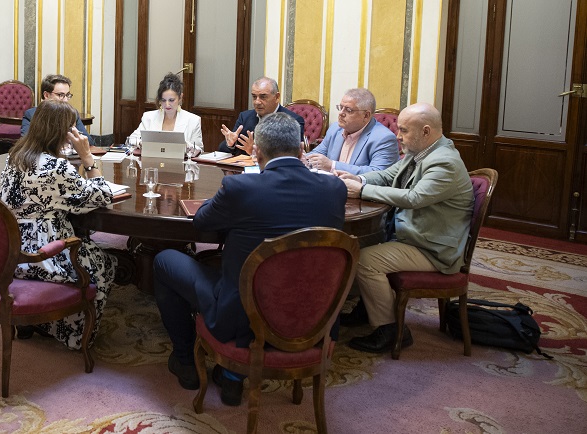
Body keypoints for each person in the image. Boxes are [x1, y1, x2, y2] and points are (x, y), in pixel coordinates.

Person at [153, 112, 347, 406]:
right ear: (302, 149)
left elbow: (202, 222)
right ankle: (231, 378)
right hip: (313, 316)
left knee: (165, 259)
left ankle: (185, 360)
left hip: (240, 316)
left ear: (256, 151)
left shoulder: (240, 189)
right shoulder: (335, 190)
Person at [337, 102, 474, 354]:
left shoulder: (444, 163)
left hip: (433, 248)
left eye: (403, 130)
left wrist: (364, 190)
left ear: (425, 131)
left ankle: (391, 329)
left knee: (366, 260)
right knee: (359, 243)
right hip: (415, 234)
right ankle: (366, 309)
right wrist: (360, 179)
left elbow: (414, 197)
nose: (398, 136)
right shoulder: (421, 151)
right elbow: (390, 175)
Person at [0, 99, 117, 349]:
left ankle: (35, 322)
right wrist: (88, 158)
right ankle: (74, 336)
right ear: (61, 132)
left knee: (85, 242)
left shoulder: (15, 157)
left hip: (9, 252)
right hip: (44, 255)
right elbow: (102, 195)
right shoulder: (56, 167)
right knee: (106, 264)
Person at [305, 88, 399, 175]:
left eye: (348, 110)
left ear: (366, 115)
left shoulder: (384, 138)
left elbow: (378, 173)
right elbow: (317, 154)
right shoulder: (335, 129)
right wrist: (302, 158)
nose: (341, 113)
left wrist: (332, 166)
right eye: (340, 107)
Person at [218, 76, 305, 156]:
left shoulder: (293, 121)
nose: (257, 102)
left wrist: (255, 152)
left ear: (277, 97)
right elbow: (223, 150)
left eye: (263, 97)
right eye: (254, 97)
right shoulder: (245, 117)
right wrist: (231, 144)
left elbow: (292, 155)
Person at [128, 72, 203, 155]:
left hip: (181, 165)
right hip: (152, 164)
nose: (167, 104)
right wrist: (141, 143)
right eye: (163, 100)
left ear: (180, 98)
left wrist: (185, 145)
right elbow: (131, 140)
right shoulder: (149, 117)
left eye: (171, 100)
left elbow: (199, 149)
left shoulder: (193, 120)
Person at [21, 74, 95, 145]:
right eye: (61, 95)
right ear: (46, 95)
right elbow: (25, 143)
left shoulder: (72, 113)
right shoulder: (31, 115)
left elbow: (89, 142)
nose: (66, 100)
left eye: (67, 95)